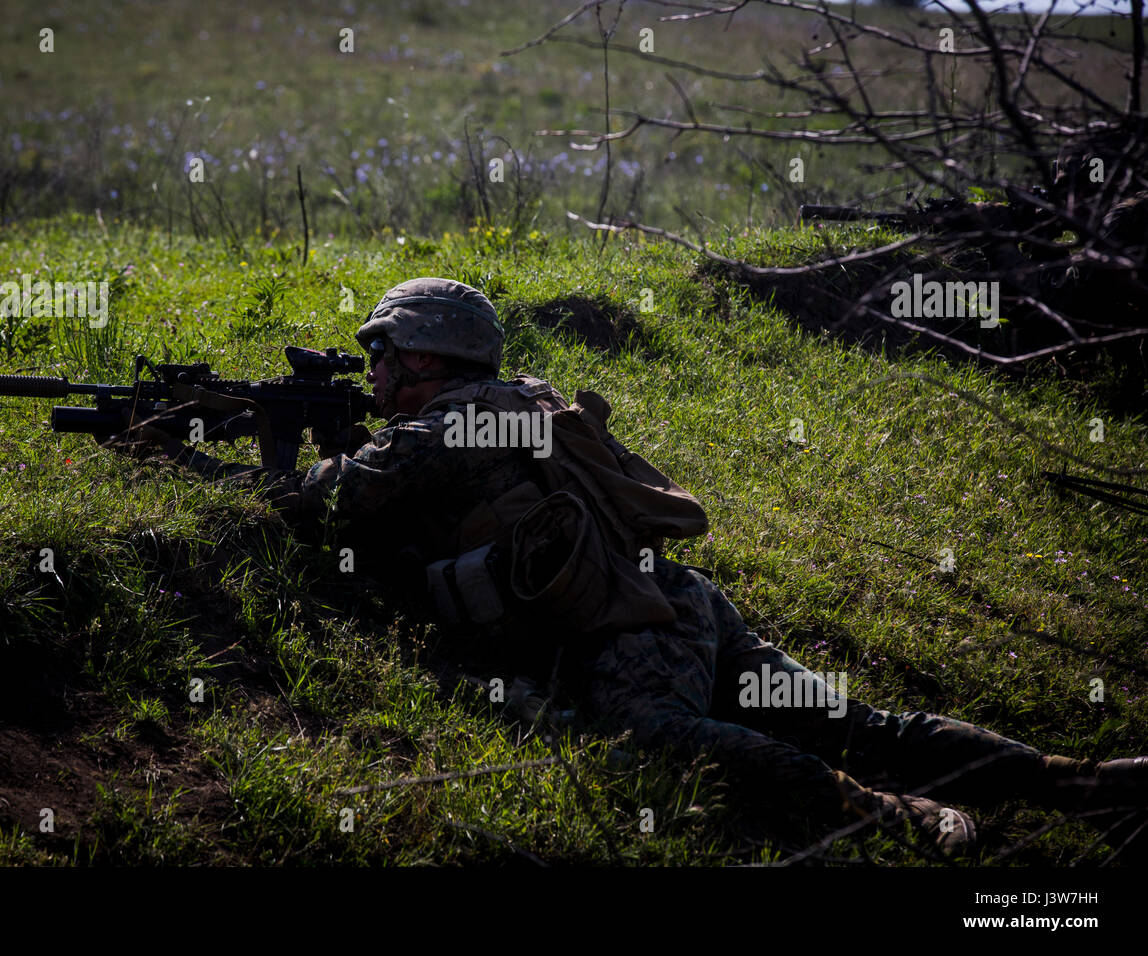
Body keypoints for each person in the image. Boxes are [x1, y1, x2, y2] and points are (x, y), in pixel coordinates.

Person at [125, 276, 1147, 858]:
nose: (374, 370)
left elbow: (325, 501)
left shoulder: (454, 420)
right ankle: (1083, 782)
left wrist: (211, 458)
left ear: (426, 359)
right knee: (850, 718)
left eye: (382, 351)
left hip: (639, 627)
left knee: (657, 732)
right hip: (670, 600)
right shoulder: (515, 398)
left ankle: (896, 813)